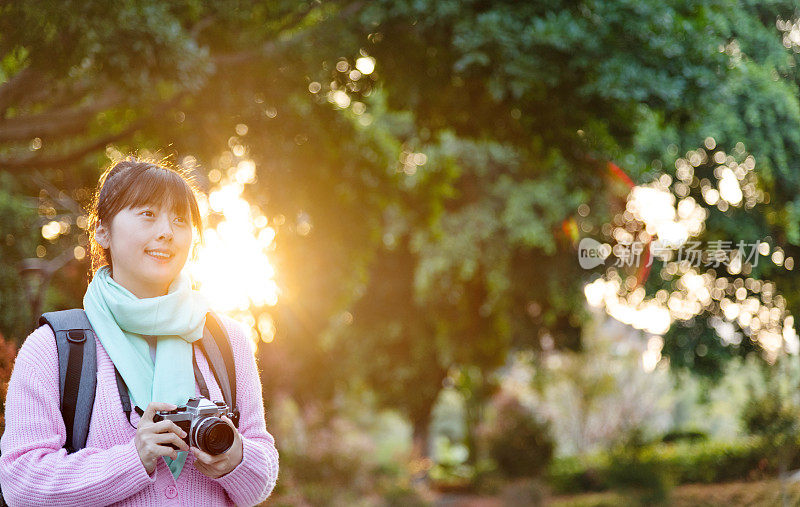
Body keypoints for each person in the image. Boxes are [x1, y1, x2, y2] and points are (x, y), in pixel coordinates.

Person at [0, 158, 279, 506]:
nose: (167, 231)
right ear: (102, 230)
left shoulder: (226, 340)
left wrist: (235, 457)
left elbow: (260, 478)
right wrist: (133, 459)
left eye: (180, 219)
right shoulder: (53, 347)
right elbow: (21, 483)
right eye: (148, 214)